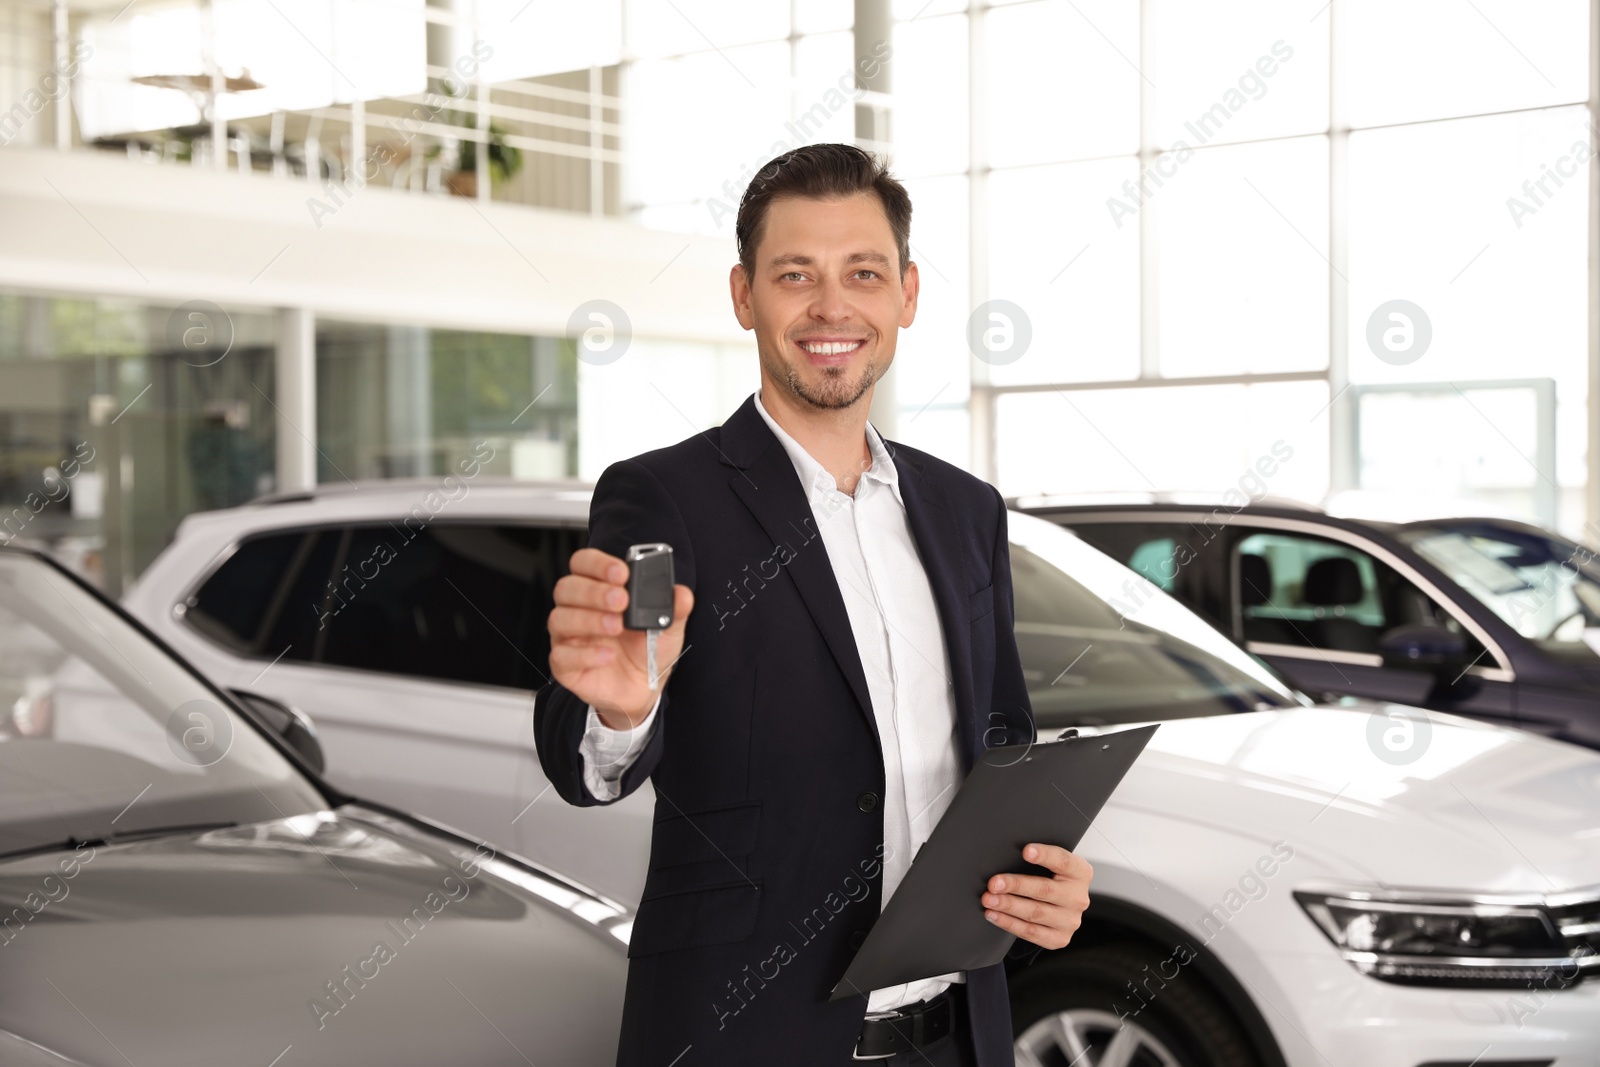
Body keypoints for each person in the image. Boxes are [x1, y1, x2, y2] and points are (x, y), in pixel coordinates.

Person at [534, 143, 1092, 1067]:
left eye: (862, 274)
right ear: (744, 296)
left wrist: (1045, 883)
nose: (832, 307)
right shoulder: (665, 497)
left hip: (958, 1039)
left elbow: (1003, 752)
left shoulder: (965, 511)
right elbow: (582, 759)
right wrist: (620, 709)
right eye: (796, 274)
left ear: (906, 295)